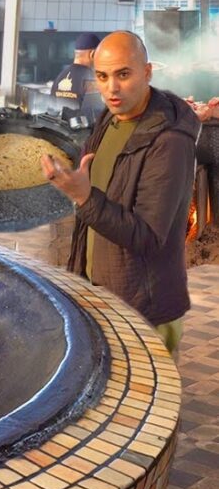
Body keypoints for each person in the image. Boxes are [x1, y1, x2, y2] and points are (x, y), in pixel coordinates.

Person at [42, 31, 201, 357]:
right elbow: (93, 183)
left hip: (143, 310)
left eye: (123, 74)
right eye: (102, 76)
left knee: (146, 407)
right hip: (101, 297)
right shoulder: (109, 118)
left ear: (147, 72)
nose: (111, 88)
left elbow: (146, 236)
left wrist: (84, 197)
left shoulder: (169, 142)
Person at [50, 32, 100, 105]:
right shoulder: (92, 79)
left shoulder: (60, 77)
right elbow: (97, 111)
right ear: (92, 54)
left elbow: (52, 110)